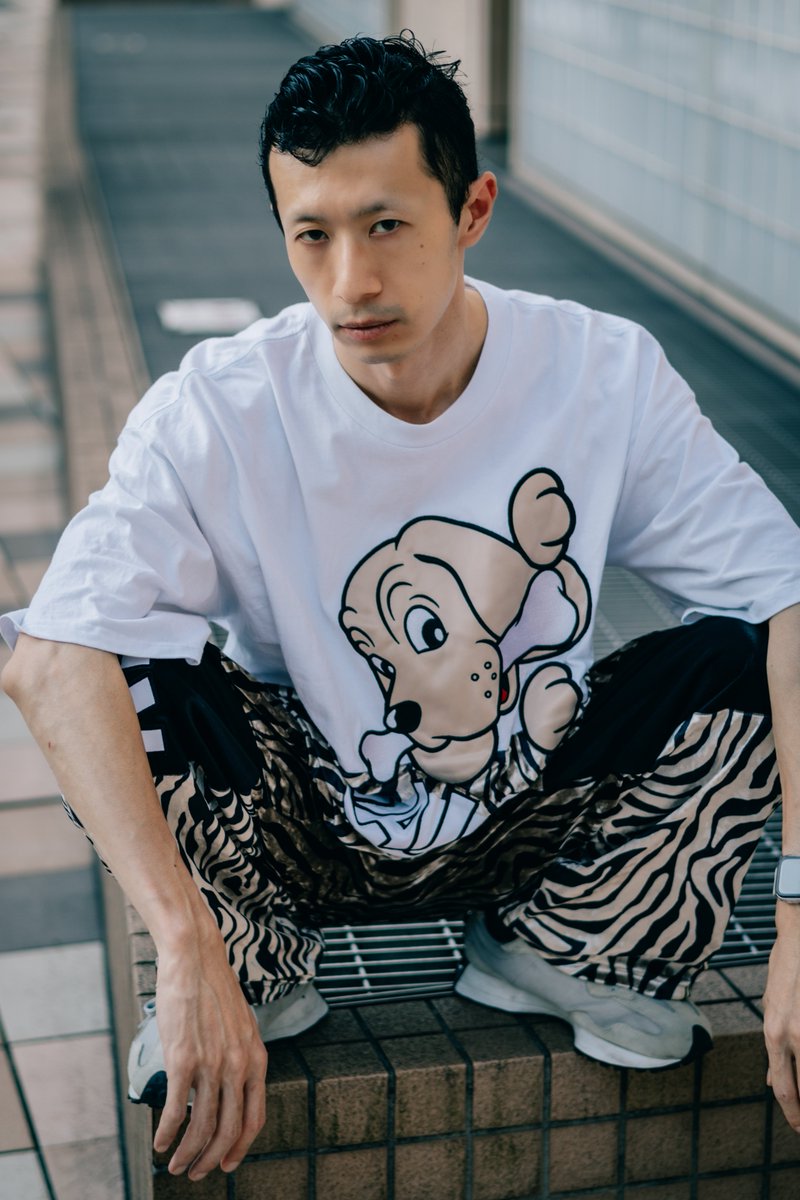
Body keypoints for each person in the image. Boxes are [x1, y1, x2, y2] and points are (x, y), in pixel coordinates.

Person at [3, 30, 800, 1184]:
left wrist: (797, 907)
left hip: (529, 812)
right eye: (311, 235)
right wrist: (180, 946)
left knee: (740, 653)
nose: (350, 283)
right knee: (118, 664)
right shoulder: (221, 407)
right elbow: (47, 659)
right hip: (302, 826)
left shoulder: (600, 376)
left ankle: (569, 952)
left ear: (471, 210)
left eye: (385, 226)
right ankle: (247, 970)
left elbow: (786, 596)